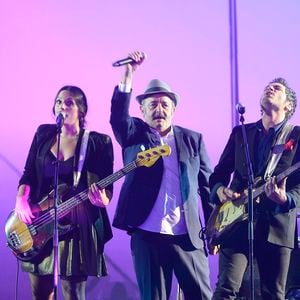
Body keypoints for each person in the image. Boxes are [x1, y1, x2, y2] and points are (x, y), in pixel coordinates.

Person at [110, 51, 213, 300]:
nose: (159, 110)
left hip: (187, 234)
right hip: (148, 233)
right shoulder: (134, 134)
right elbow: (117, 117)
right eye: (152, 104)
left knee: (202, 295)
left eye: (164, 104)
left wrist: (214, 228)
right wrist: (129, 73)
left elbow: (207, 186)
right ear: (142, 109)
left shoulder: (192, 139)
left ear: (174, 109)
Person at [14, 85, 114, 300]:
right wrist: (21, 198)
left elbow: (107, 190)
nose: (62, 106)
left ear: (81, 109)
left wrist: (103, 199)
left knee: (73, 295)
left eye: (68, 102)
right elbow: (29, 172)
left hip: (76, 226)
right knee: (40, 293)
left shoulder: (98, 142)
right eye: (58, 102)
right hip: (40, 223)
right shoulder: (43, 134)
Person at [209, 77, 300, 299]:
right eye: (267, 86)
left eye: (277, 88)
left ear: (288, 105)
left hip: (276, 226)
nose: (270, 87)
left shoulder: (296, 136)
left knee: (273, 294)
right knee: (226, 290)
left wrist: (285, 198)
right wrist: (221, 190)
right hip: (236, 222)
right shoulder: (241, 132)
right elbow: (218, 174)